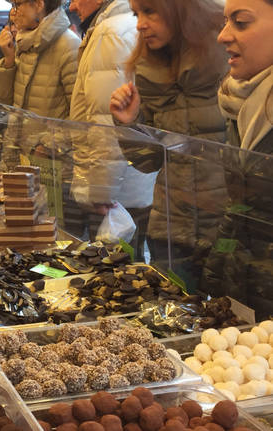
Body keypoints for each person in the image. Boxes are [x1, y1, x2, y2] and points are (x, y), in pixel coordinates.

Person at [109, 0, 228, 280]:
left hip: (227, 232)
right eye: (136, 13)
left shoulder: (231, 59)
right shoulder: (149, 68)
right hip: (171, 230)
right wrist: (129, 124)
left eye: (150, 11)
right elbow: (150, 161)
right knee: (172, 317)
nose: (140, 23)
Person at [200, 0, 273, 317]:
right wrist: (217, 274)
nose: (223, 35)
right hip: (249, 298)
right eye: (225, 21)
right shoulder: (238, 103)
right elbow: (242, 207)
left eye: (241, 22)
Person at [66, 0, 147, 254]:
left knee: (119, 279)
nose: (73, 6)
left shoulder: (111, 32)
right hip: (131, 184)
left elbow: (106, 121)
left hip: (118, 193)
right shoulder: (112, 28)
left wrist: (101, 191)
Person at [0, 0, 80, 118]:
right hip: (17, 135)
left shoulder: (69, 45)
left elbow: (79, 117)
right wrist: (8, 61)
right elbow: (5, 103)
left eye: (18, 5)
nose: (12, 13)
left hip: (50, 136)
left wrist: (50, 136)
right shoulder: (24, 41)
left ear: (39, 5)